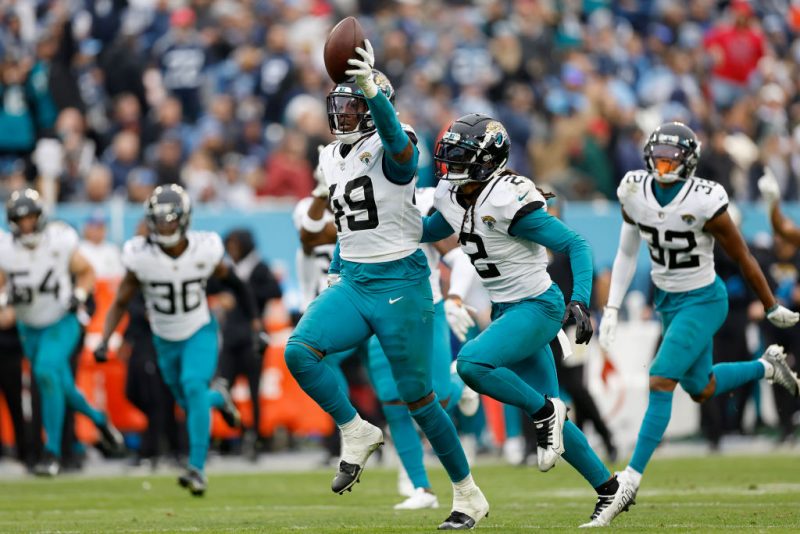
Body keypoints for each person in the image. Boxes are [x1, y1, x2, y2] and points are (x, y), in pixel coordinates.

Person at [284, 41, 489, 529]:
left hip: (401, 280)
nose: (347, 112)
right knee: (299, 351)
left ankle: (467, 493)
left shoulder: (395, 138)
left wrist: (373, 91)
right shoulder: (332, 156)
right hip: (355, 279)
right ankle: (355, 430)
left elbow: (400, 156)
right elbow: (346, 225)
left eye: (356, 104)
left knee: (420, 401)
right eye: (345, 104)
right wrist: (334, 269)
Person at [421, 113, 634, 528]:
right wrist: (388, 226)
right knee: (555, 426)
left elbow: (576, 244)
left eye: (461, 156)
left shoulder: (507, 199)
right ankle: (611, 489)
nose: (449, 164)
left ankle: (543, 413)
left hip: (537, 307)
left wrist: (580, 301)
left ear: (488, 161)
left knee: (472, 364)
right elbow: (429, 230)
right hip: (507, 308)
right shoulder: (455, 193)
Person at [599, 122, 800, 504]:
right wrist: (611, 308)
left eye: (670, 158)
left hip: (704, 298)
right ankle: (769, 368)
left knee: (659, 379)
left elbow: (743, 257)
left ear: (688, 162)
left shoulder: (706, 200)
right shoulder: (634, 190)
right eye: (657, 157)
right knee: (702, 387)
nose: (661, 165)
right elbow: (627, 252)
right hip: (668, 300)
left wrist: (771, 305)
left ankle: (629, 480)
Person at [94, 184, 267, 496]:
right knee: (190, 402)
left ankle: (197, 469)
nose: (165, 225)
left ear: (185, 219)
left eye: (171, 219)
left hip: (199, 330)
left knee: (192, 385)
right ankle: (219, 398)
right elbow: (121, 300)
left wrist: (256, 324)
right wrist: (106, 338)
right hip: (164, 338)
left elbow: (238, 285)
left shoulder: (206, 248)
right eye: (159, 219)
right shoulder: (139, 255)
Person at [0, 189, 124, 477]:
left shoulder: (59, 239)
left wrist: (79, 294)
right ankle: (99, 419)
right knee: (62, 385)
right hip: (29, 326)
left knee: (45, 372)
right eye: (21, 220)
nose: (27, 225)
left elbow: (86, 271)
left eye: (31, 218)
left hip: (61, 321)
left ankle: (52, 452)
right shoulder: (6, 249)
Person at [217, 228, 282, 458]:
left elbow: (275, 291)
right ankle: (240, 430)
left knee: (255, 391)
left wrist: (244, 295)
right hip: (230, 336)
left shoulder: (259, 267)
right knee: (223, 389)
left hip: (252, 337)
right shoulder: (226, 270)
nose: (232, 251)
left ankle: (254, 436)